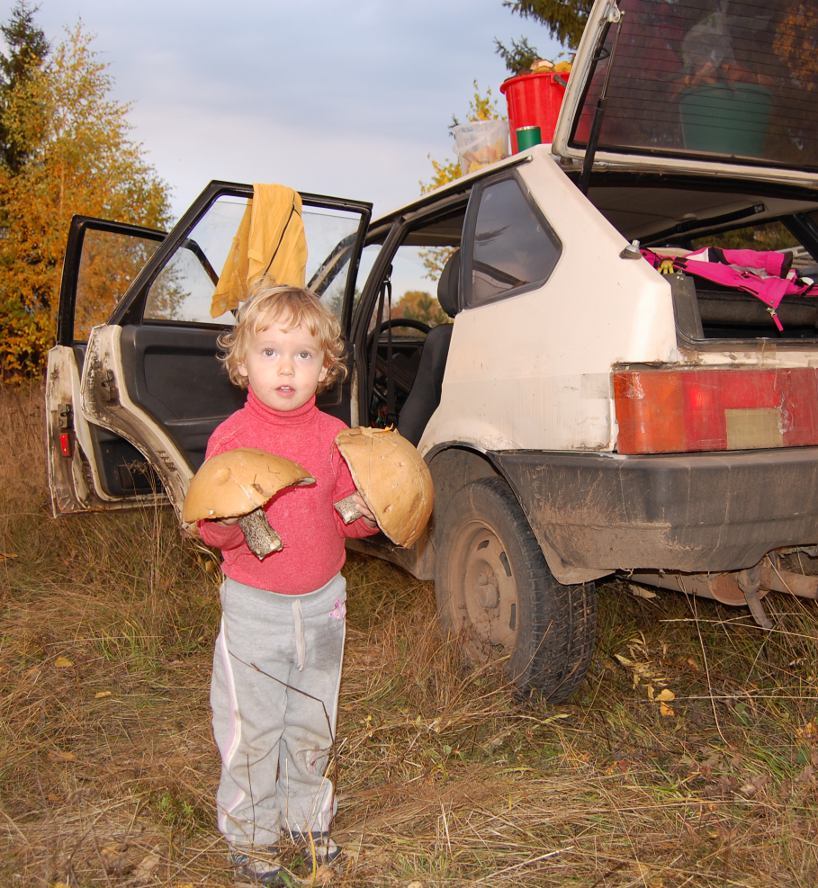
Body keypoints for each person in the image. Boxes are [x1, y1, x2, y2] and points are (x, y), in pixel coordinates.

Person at [199, 284, 377, 885]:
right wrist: (226, 527)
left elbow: (344, 516)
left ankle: (305, 822)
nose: (285, 367)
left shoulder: (335, 438)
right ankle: (250, 838)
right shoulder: (232, 437)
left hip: (325, 605)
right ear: (242, 361)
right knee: (254, 725)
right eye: (270, 351)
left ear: (325, 367)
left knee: (312, 719)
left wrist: (373, 513)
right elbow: (210, 525)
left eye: (303, 355)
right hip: (256, 606)